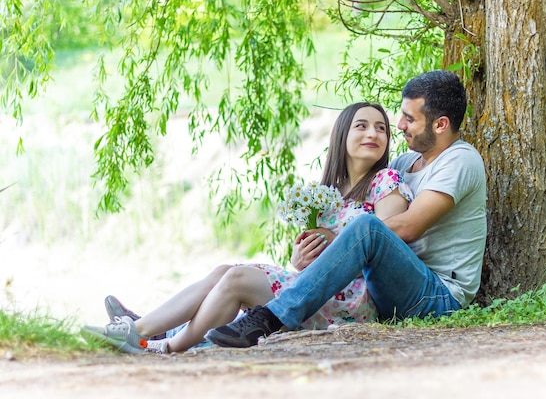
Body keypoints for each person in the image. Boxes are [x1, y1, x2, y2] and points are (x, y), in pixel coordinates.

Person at [81, 102, 413, 354]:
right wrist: (300, 259)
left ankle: (152, 342)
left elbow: (383, 241)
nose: (373, 134)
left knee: (237, 278)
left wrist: (332, 239)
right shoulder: (328, 191)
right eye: (362, 126)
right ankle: (148, 331)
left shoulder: (386, 181)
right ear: (342, 134)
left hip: (354, 301)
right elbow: (320, 258)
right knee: (225, 270)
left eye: (381, 128)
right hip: (313, 288)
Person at [206, 70, 487, 348]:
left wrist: (342, 239)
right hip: (391, 287)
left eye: (410, 118)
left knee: (366, 227)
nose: (399, 125)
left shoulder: (460, 160)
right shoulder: (404, 163)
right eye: (401, 115)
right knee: (362, 228)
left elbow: (408, 227)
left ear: (440, 125)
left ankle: (271, 317)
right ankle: (175, 333)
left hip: (438, 297)